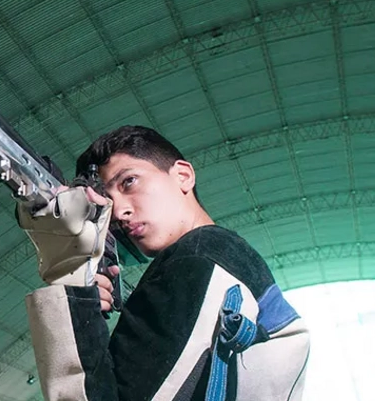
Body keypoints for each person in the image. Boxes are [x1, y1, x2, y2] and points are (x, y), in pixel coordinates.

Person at [17, 125, 310, 401]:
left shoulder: (195, 261)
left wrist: (70, 282)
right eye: (109, 200)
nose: (119, 211)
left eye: (129, 182)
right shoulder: (229, 259)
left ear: (183, 175)